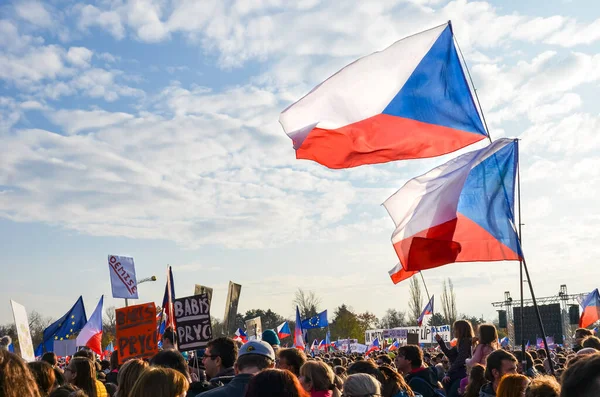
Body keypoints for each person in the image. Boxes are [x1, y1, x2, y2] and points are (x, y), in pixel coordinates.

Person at [200, 340, 275, 397]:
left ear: (236, 368)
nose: (203, 361)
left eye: (205, 356)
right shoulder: (283, 393)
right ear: (272, 367)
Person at [436, 320, 473, 397]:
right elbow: (449, 354)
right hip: (458, 372)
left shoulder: (466, 341)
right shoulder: (460, 342)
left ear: (461, 330)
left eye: (455, 329)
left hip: (463, 373)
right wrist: (440, 341)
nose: (453, 331)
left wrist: (449, 373)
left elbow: (461, 360)